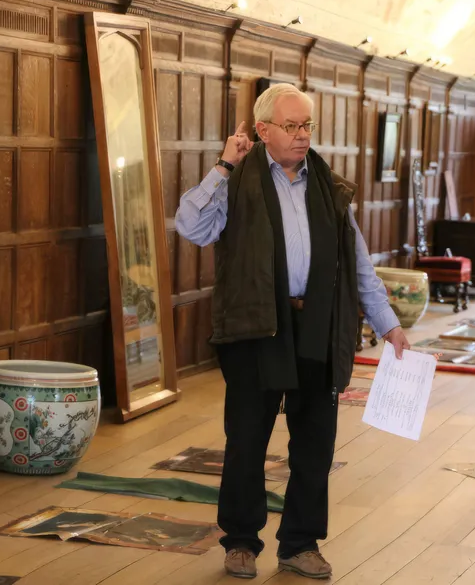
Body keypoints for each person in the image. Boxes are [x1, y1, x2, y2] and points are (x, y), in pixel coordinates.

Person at [175, 83, 409, 580]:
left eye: (307, 126)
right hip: (256, 327)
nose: (303, 136)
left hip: (316, 327)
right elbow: (190, 227)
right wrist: (224, 165)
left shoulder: (328, 186)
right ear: (262, 131)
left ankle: (300, 544)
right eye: (292, 126)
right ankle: (240, 542)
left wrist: (389, 325)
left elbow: (357, 262)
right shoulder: (236, 182)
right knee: (246, 440)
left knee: (315, 444)